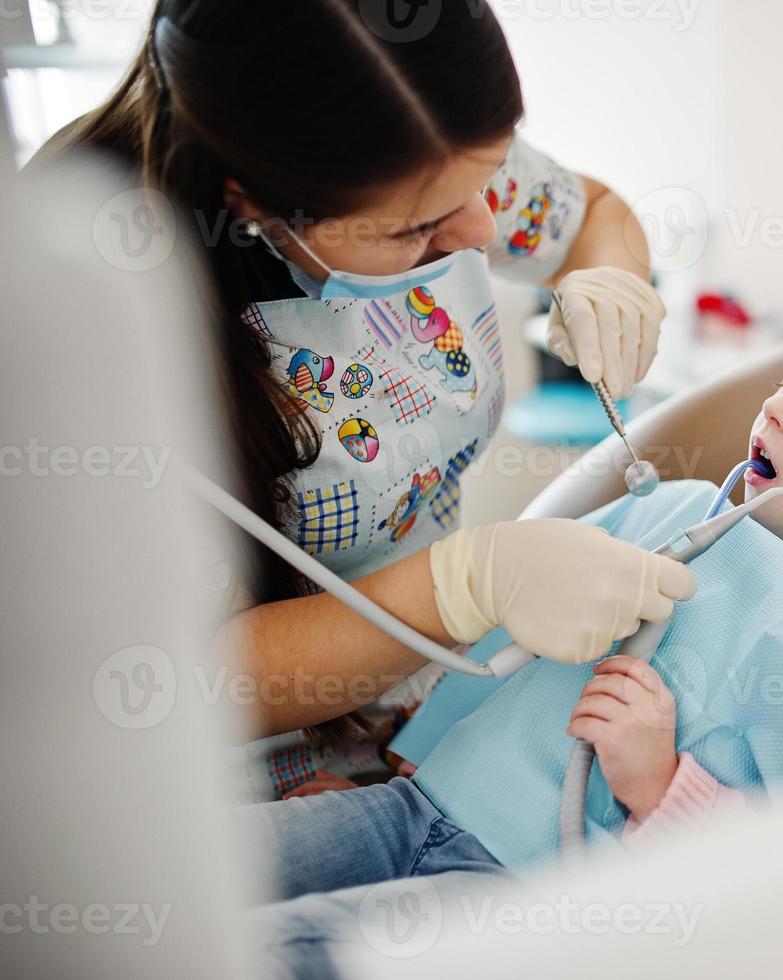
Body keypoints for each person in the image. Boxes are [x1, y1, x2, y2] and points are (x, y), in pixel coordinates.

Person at [239, 280, 783, 978]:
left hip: (518, 896)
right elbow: (510, 647)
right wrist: (406, 760)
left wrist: (660, 785)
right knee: (162, 872)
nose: (778, 410)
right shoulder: (680, 507)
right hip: (406, 807)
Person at [34, 0, 695, 738]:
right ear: (248, 201)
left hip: (423, 705)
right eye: (414, 229)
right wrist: (458, 588)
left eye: (485, 182)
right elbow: (166, 674)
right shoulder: (84, 313)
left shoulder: (423, 148)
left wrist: (613, 277)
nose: (481, 231)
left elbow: (593, 215)